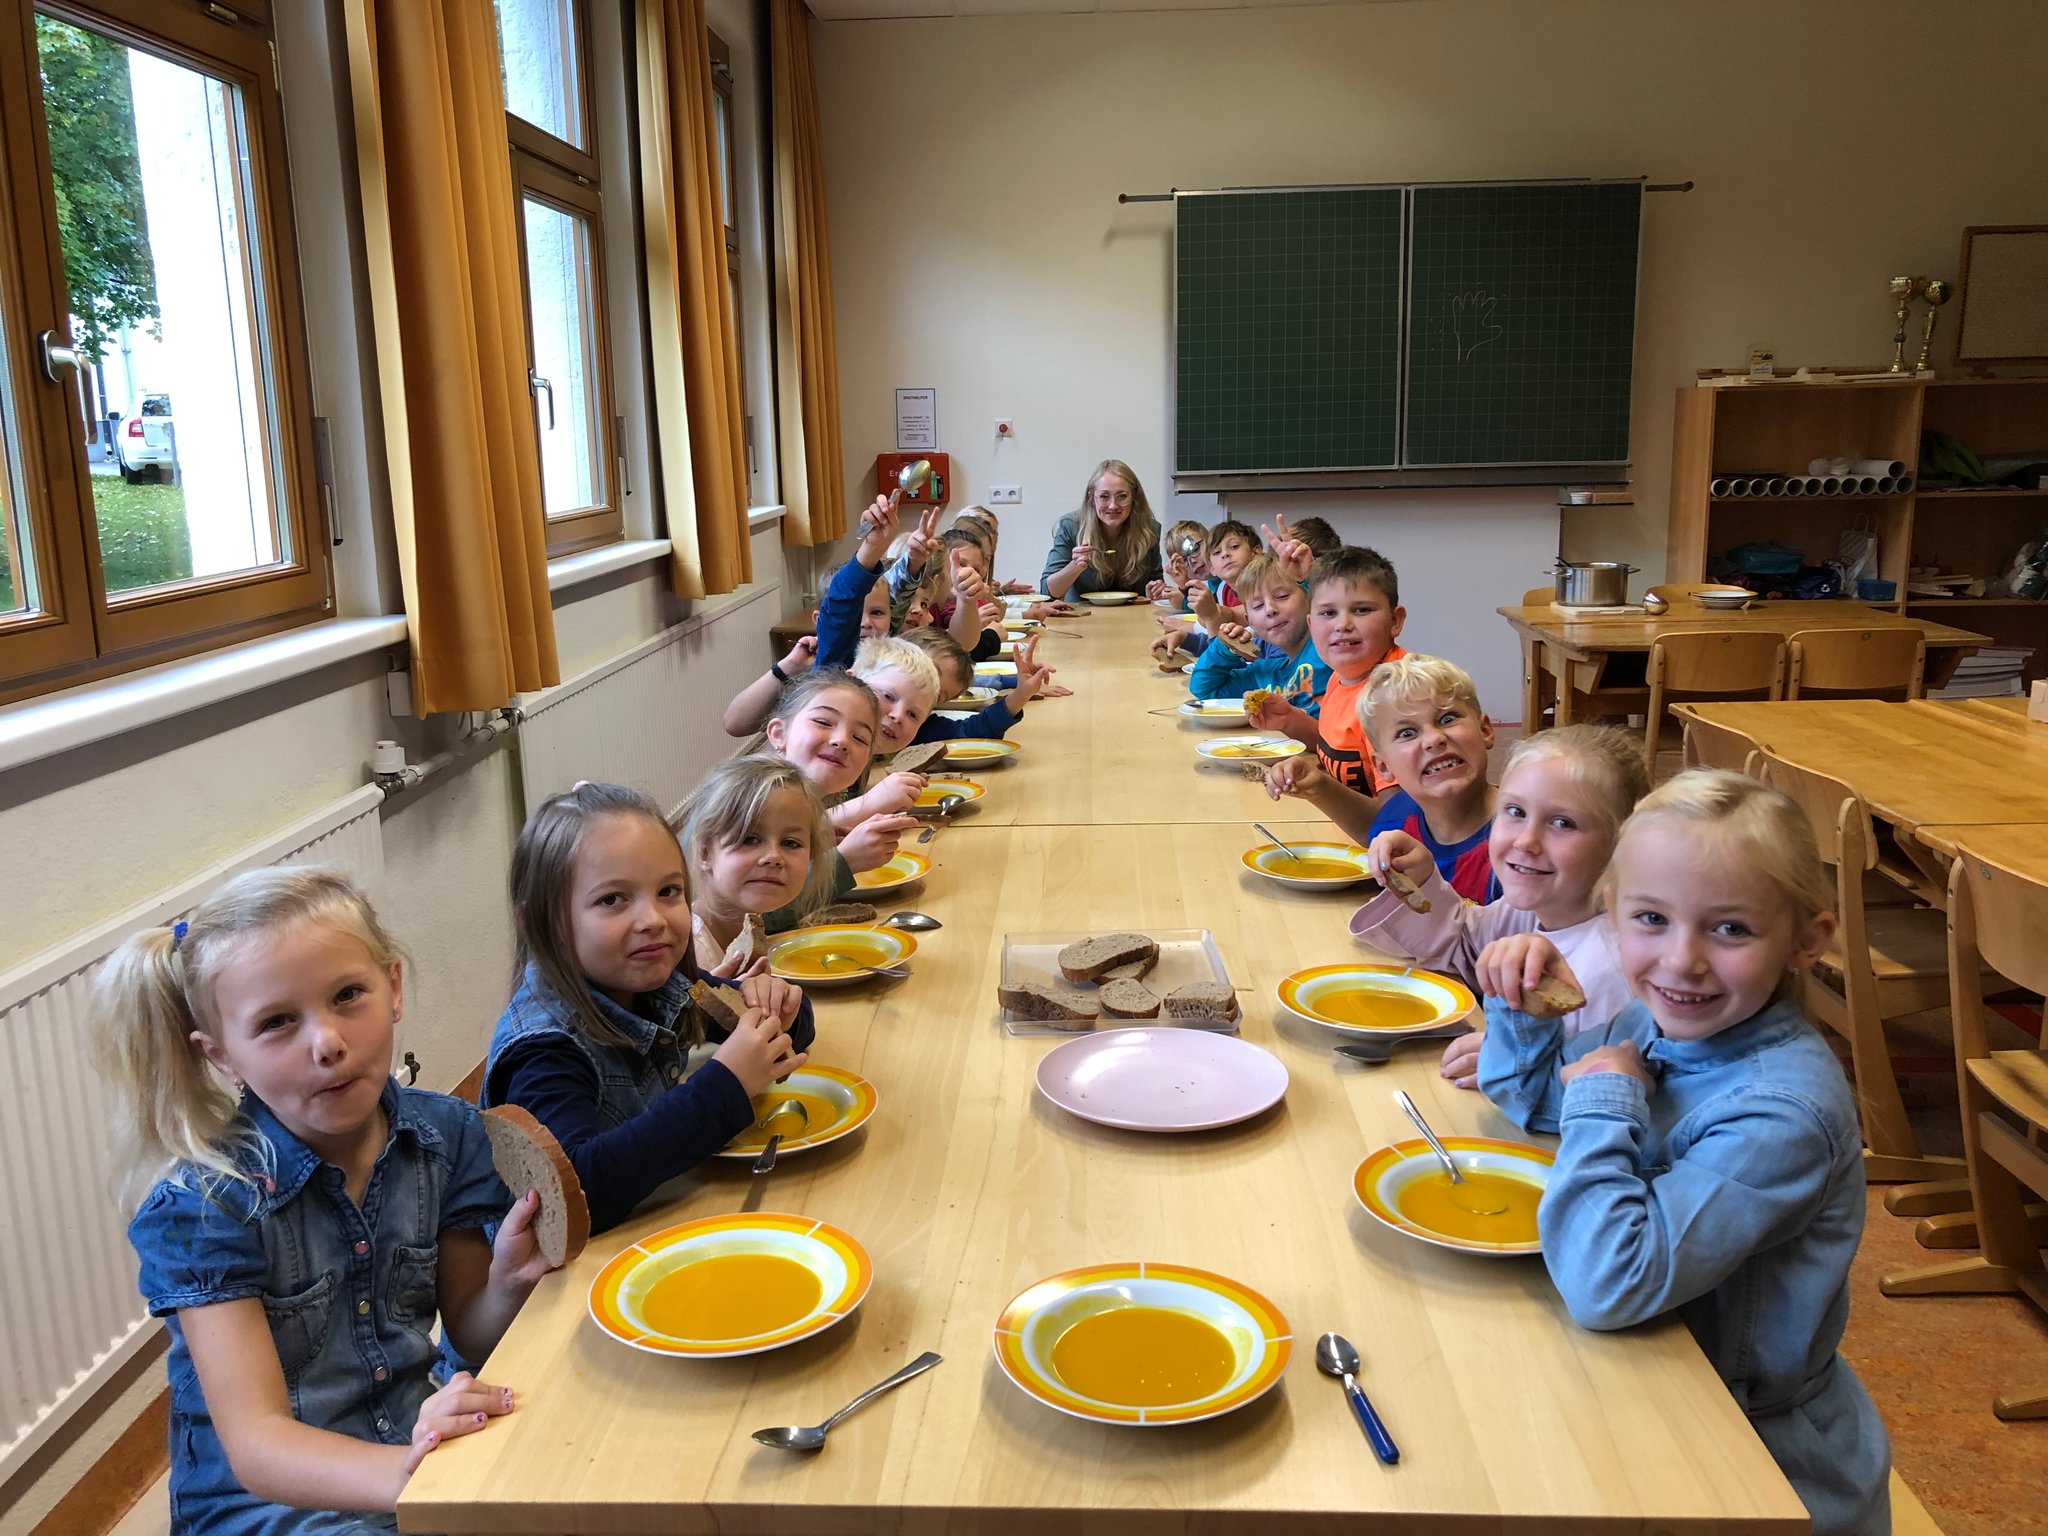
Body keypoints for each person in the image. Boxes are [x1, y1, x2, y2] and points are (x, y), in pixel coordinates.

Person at [1476, 770, 1889, 1536]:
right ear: (1612, 913)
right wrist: (1526, 1010)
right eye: (1651, 919)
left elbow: (1608, 1283)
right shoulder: (1660, 1022)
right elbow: (1538, 1107)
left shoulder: (1781, 1114)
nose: (1682, 960)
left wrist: (1606, 1097)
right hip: (1643, 1390)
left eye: (1729, 929)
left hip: (1752, 1461)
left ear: (1807, 940)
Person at [101, 867, 553, 1533]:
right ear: (222, 1056)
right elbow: (259, 1446)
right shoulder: (206, 1205)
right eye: (277, 1022)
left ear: (392, 987)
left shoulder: (448, 1136)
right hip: (265, 1509)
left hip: (411, 1449)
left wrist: (507, 1284)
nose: (328, 1043)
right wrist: (418, 1474)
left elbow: (468, 1330)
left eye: (347, 995)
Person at [481, 782, 815, 1235]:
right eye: (612, 899)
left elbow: (790, 1032)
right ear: (544, 922)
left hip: (662, 1217)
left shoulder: (657, 979)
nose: (653, 920)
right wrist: (727, 1085)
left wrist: (780, 1008)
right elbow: (575, 1193)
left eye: (668, 891)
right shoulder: (544, 1051)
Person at [1353, 724, 1649, 1088]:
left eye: (1562, 823)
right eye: (1515, 811)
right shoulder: (1530, 906)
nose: (1526, 841)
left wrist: (1515, 1063)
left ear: (1623, 842)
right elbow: (1465, 944)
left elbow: (1605, 1091)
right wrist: (1424, 878)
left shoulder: (1611, 973)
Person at [1263, 654, 1499, 902]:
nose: (1433, 739)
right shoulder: (1400, 816)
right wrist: (1319, 786)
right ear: (1383, 766)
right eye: (1407, 733)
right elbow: (1374, 827)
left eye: (1448, 719)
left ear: (1485, 730)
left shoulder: (1519, 844)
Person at [1243, 526, 1406, 792]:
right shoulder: (1341, 677)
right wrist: (1288, 720)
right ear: (1312, 624)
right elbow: (1335, 745)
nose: (1342, 625)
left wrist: (1321, 790)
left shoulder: (1395, 696)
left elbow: (1396, 814)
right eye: (1328, 613)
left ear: (1395, 621)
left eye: (1361, 610)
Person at [747, 669, 921, 907]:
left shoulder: (801, 800)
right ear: (779, 734)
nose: (842, 741)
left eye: (859, 738)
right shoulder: (754, 802)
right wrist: (843, 862)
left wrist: (817, 842)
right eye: (823, 722)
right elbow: (751, 915)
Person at [679, 755, 840, 973]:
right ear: (705, 853)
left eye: (790, 843)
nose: (773, 857)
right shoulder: (690, 955)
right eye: (750, 839)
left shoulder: (749, 932)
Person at [1185, 552, 1331, 709]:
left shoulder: (1328, 650)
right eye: (1258, 606)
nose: (1270, 610)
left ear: (1310, 599)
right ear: (1250, 622)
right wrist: (1225, 649)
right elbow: (1203, 688)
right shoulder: (1262, 674)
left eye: (1282, 596)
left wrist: (1306, 578)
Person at [1041, 459, 1164, 599]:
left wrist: (1157, 590)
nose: (1113, 505)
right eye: (1104, 496)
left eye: (1122, 496)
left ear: (1134, 497)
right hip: (1082, 612)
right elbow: (1048, 592)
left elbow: (1155, 584)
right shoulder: (1071, 527)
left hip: (1135, 611)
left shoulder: (1149, 530)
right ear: (1092, 497)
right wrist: (1074, 566)